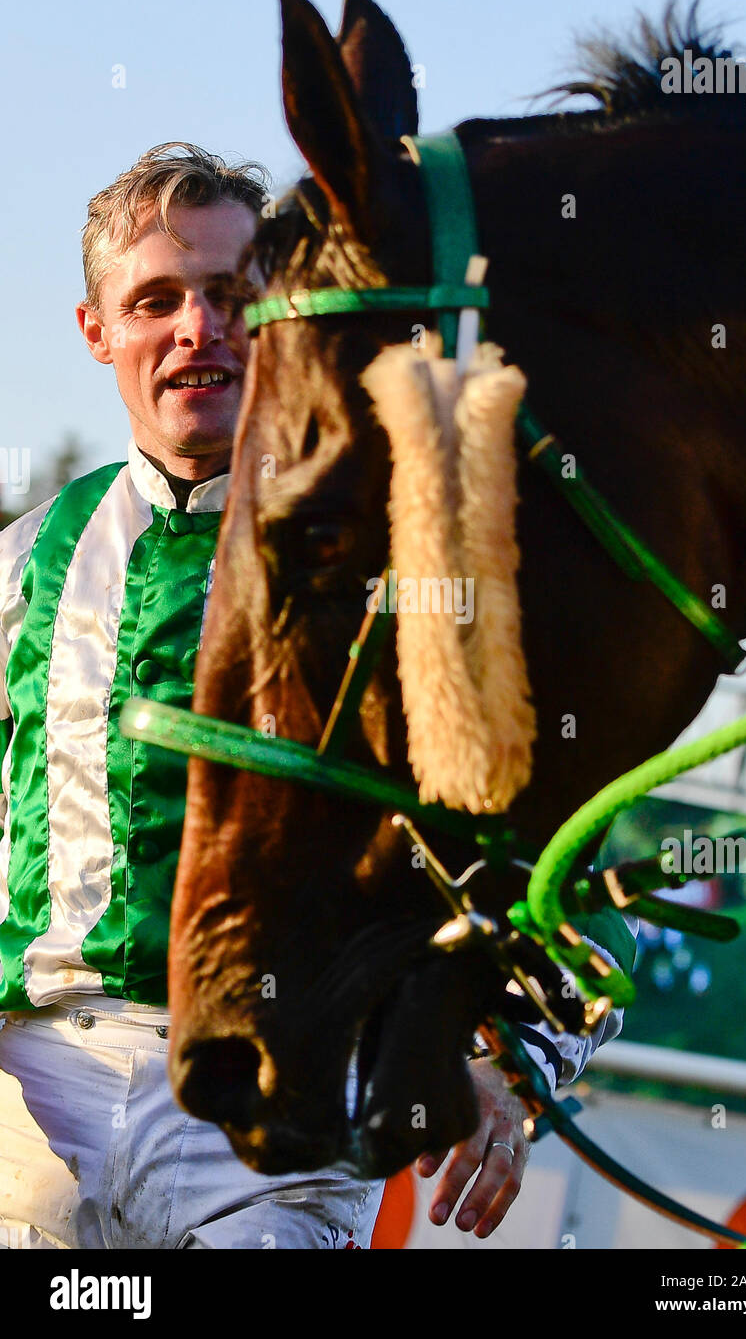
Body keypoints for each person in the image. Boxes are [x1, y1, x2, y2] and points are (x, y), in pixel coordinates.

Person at [0, 143, 628, 1250]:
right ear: (99, 332)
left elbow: (582, 865)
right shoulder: (22, 568)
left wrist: (504, 1055)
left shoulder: (431, 564)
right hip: (34, 1088)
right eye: (155, 300)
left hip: (284, 1097)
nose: (198, 329)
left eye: (231, 296)